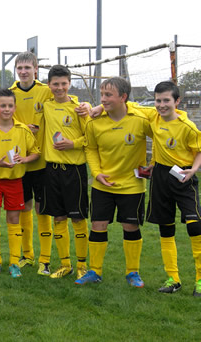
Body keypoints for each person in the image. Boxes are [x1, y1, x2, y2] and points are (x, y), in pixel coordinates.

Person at [76, 77, 151, 287]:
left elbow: (165, 129)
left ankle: (132, 273)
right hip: (102, 184)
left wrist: (153, 163)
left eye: (108, 95)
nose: (103, 99)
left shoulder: (141, 118)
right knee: (98, 225)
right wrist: (97, 172)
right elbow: (90, 148)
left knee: (130, 226)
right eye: (102, 95)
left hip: (132, 185)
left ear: (123, 97)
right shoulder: (94, 121)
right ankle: (95, 271)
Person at [144, 81, 201, 296]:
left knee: (195, 226)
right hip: (160, 176)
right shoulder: (153, 117)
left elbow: (199, 150)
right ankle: (173, 279)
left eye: (166, 100)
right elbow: (127, 106)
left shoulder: (187, 127)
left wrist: (193, 170)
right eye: (158, 100)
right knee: (165, 228)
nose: (161, 105)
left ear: (177, 101)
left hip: (182, 176)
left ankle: (200, 280)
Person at [0, 89, 40, 278]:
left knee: (14, 220)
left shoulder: (23, 129)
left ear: (15, 107)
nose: (6, 109)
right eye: (2, 105)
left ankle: (14, 264)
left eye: (10, 106)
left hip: (15, 182)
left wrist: (25, 160)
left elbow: (35, 152)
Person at [38, 65, 89, 279]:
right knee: (58, 217)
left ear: (69, 84)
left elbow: (91, 138)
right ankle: (65, 264)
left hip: (74, 170)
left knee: (77, 219)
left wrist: (73, 143)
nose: (60, 88)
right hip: (51, 169)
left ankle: (82, 266)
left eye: (63, 84)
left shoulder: (80, 108)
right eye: (55, 84)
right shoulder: (47, 106)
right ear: (48, 85)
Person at [9, 52, 53, 269]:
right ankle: (28, 255)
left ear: (36, 69)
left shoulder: (46, 91)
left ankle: (45, 259)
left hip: (43, 160)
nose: (23, 71)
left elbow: (66, 101)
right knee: (23, 207)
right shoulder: (10, 93)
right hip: (20, 161)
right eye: (20, 68)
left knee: (41, 208)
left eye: (27, 67)